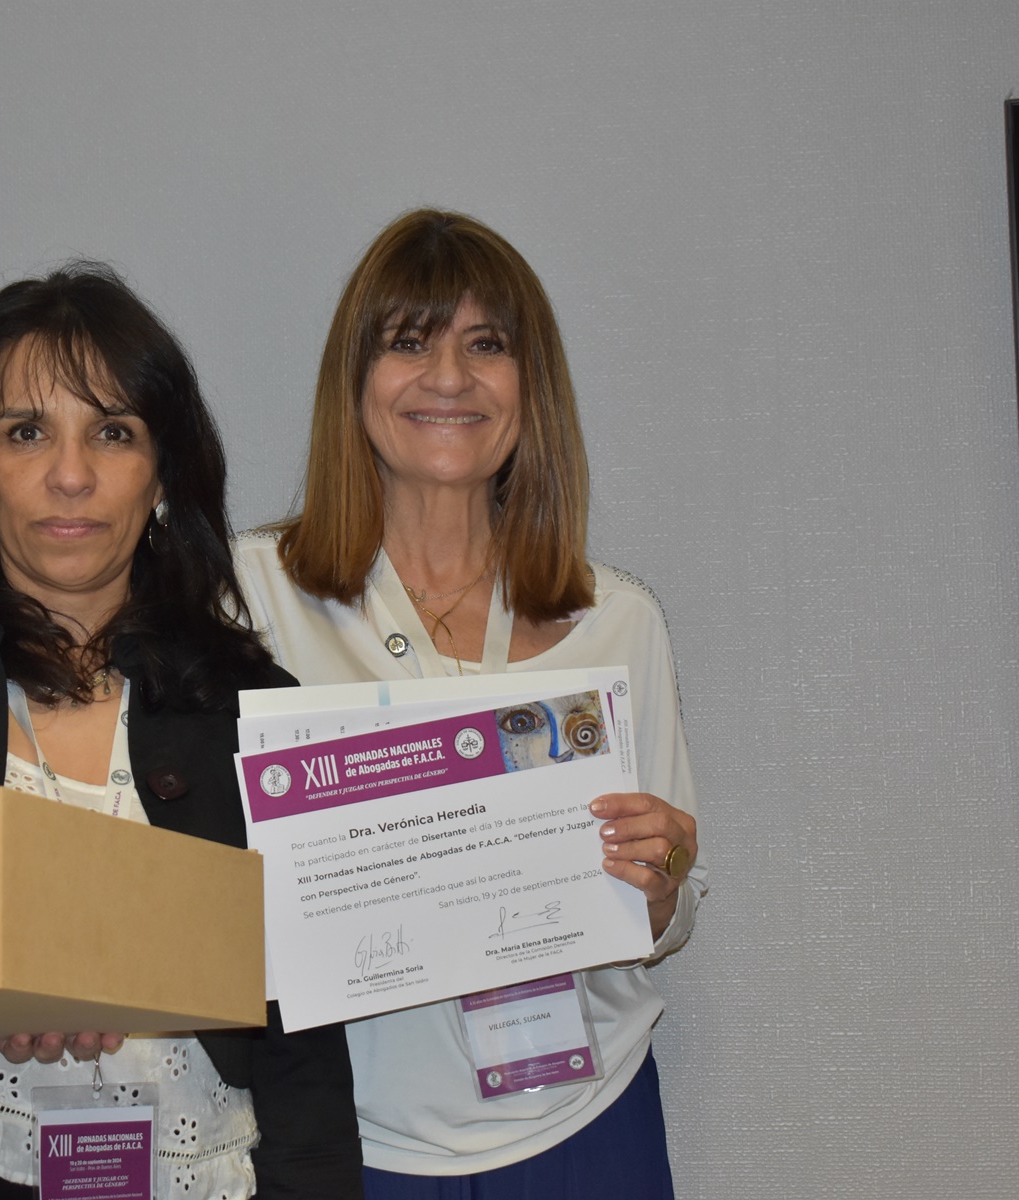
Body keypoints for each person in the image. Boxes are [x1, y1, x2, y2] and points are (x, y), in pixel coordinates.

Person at [0, 263, 363, 1199]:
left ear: (161, 474)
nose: (71, 474)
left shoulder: (255, 712)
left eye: (113, 432)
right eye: (26, 431)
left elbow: (305, 1059)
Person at [233, 210, 706, 1198]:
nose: (448, 377)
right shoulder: (248, 600)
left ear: (530, 387)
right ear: (354, 379)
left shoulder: (618, 620)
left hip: (587, 1125)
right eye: (408, 341)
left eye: (486, 345)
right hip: (346, 1141)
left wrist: (661, 879)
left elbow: (664, 907)